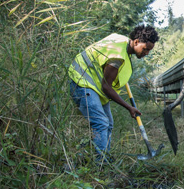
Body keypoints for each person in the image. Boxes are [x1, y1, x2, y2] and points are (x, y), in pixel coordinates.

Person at [68, 25, 159, 162]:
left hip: (92, 85)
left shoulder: (121, 41)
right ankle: (100, 164)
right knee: (101, 123)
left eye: (149, 51)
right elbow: (106, 87)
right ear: (135, 42)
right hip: (81, 81)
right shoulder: (117, 56)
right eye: (145, 49)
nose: (146, 53)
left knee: (108, 123)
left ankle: (103, 156)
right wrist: (129, 107)